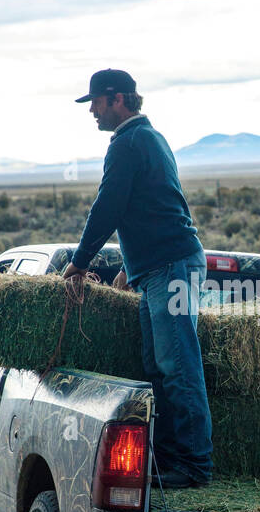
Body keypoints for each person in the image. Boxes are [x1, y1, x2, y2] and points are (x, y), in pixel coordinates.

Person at [63, 69, 212, 489]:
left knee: (178, 365)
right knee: (158, 368)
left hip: (172, 268)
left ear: (117, 99)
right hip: (160, 268)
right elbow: (155, 205)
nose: (91, 110)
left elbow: (109, 205)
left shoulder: (129, 142)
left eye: (95, 101)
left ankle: (195, 466)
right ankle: (168, 461)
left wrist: (80, 261)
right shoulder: (149, 138)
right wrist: (133, 265)